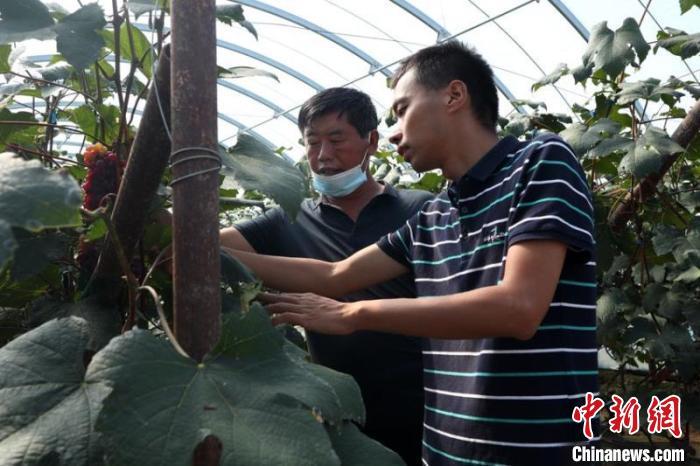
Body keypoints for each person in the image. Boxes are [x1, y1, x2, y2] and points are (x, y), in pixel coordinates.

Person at [227, 41, 598, 465]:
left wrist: (352, 315)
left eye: (402, 109)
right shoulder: (434, 215)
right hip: (442, 450)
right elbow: (333, 277)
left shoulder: (539, 161)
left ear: (454, 96)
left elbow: (519, 307)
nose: (393, 131)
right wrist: (186, 239)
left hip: (535, 450)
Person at [221, 87, 433, 465]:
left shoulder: (418, 208)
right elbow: (202, 246)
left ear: (371, 141)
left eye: (336, 140)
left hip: (428, 397)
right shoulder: (288, 219)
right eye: (312, 143)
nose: (323, 156)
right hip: (340, 408)